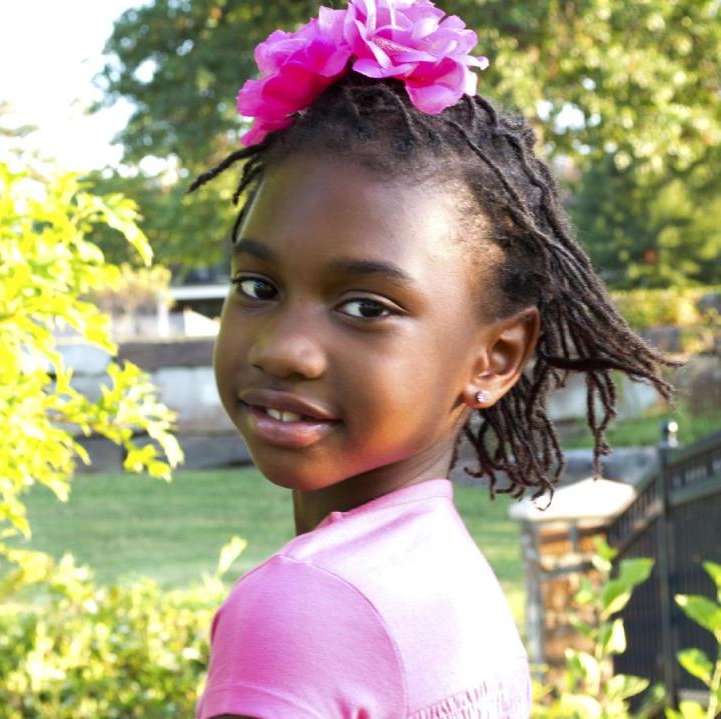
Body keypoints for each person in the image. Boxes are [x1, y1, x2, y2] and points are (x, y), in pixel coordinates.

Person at [189, 1, 676, 717]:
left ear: (495, 358)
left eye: (365, 307)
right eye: (257, 287)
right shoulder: (446, 570)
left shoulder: (302, 605)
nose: (283, 349)